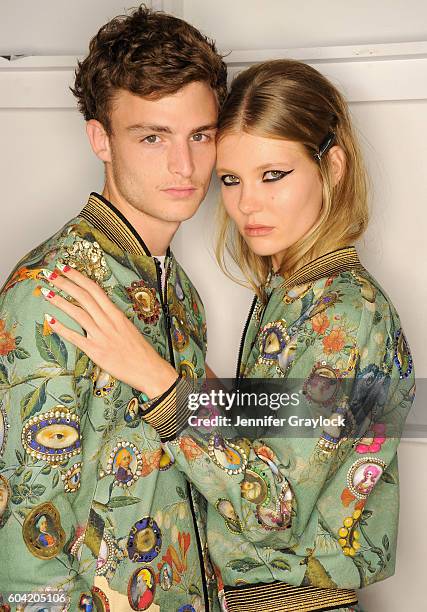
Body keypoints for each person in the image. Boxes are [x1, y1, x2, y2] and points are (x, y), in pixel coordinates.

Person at [35, 59, 415, 612]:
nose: (246, 204)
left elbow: (273, 510)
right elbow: (267, 443)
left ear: (331, 166)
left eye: (273, 175)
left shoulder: (341, 312)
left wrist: (156, 378)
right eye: (231, 180)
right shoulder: (291, 296)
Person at [0, 5, 227, 610]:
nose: (184, 166)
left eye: (199, 135)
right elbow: (29, 537)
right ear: (100, 137)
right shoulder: (50, 291)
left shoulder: (180, 291)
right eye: (152, 136)